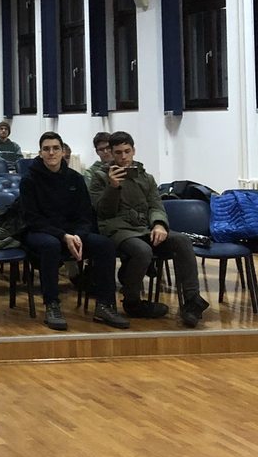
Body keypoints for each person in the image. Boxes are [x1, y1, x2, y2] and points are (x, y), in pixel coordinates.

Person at [89, 131, 209, 326]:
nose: (123, 157)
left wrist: (159, 224)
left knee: (182, 240)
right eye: (118, 152)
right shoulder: (100, 177)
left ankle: (191, 301)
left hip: (144, 226)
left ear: (133, 150)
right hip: (117, 229)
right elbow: (103, 211)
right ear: (111, 153)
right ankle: (132, 301)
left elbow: (156, 205)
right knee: (142, 250)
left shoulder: (146, 177)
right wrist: (113, 187)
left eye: (127, 151)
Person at [20, 131, 129, 331]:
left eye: (55, 148)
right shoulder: (29, 180)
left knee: (104, 245)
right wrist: (63, 236)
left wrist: (78, 235)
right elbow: (32, 219)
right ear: (40, 153)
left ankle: (105, 305)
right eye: (46, 149)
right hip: (41, 232)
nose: (51, 153)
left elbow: (85, 215)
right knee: (51, 245)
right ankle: (52, 305)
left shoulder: (75, 179)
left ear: (63, 152)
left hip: (72, 232)